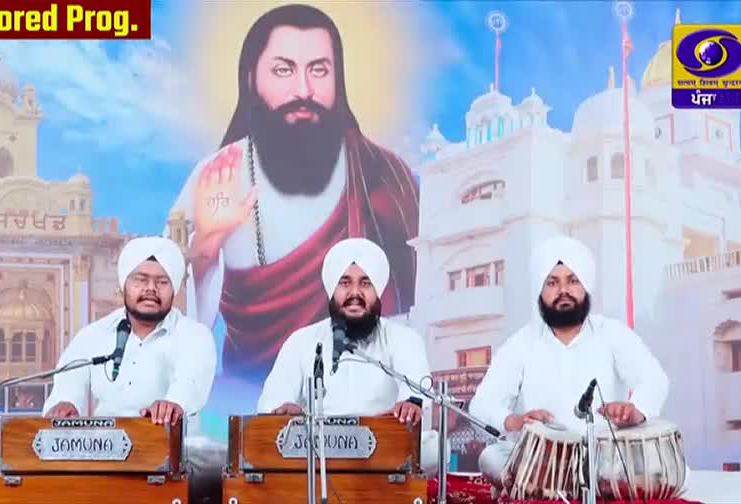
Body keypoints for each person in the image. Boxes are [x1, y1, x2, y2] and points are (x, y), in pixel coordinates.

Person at [168, 3, 419, 383]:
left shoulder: (386, 177)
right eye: (283, 70)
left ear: (339, 79)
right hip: (251, 398)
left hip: (358, 389)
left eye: (319, 70)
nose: (304, 90)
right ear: (252, 78)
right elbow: (169, 317)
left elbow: (412, 308)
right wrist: (206, 247)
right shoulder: (217, 176)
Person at [469, 235, 670, 482]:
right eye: (552, 283)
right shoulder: (522, 342)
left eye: (572, 281)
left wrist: (635, 410)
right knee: (492, 457)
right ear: (540, 292)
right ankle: (546, 481)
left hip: (602, 457)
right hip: (540, 461)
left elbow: (654, 380)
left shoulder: (612, 333)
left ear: (586, 286)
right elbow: (482, 403)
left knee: (646, 463)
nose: (563, 291)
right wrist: (513, 420)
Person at [42, 236, 223, 502]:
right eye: (140, 279)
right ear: (123, 285)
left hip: (173, 459)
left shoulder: (194, 335)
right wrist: (64, 404)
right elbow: (68, 385)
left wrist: (173, 404)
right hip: (104, 456)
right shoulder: (93, 335)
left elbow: (191, 381)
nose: (150, 288)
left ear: (174, 289)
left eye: (162, 282)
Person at [257, 238, 445, 474]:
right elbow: (272, 400)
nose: (355, 293)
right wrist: (284, 408)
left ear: (378, 291)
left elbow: (417, 390)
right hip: (316, 448)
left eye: (365, 283)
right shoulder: (302, 341)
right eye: (345, 283)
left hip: (383, 446)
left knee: (432, 449)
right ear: (331, 289)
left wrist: (410, 404)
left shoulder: (403, 338)